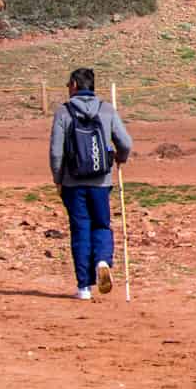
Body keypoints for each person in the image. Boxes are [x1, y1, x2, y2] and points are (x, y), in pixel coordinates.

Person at [48, 67, 133, 301]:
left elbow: (56, 152)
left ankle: (84, 287)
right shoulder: (106, 110)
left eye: (68, 84)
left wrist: (58, 179)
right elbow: (125, 142)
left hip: (73, 183)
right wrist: (119, 158)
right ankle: (103, 259)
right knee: (102, 225)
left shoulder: (63, 112)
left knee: (80, 231)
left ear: (75, 84)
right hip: (100, 181)